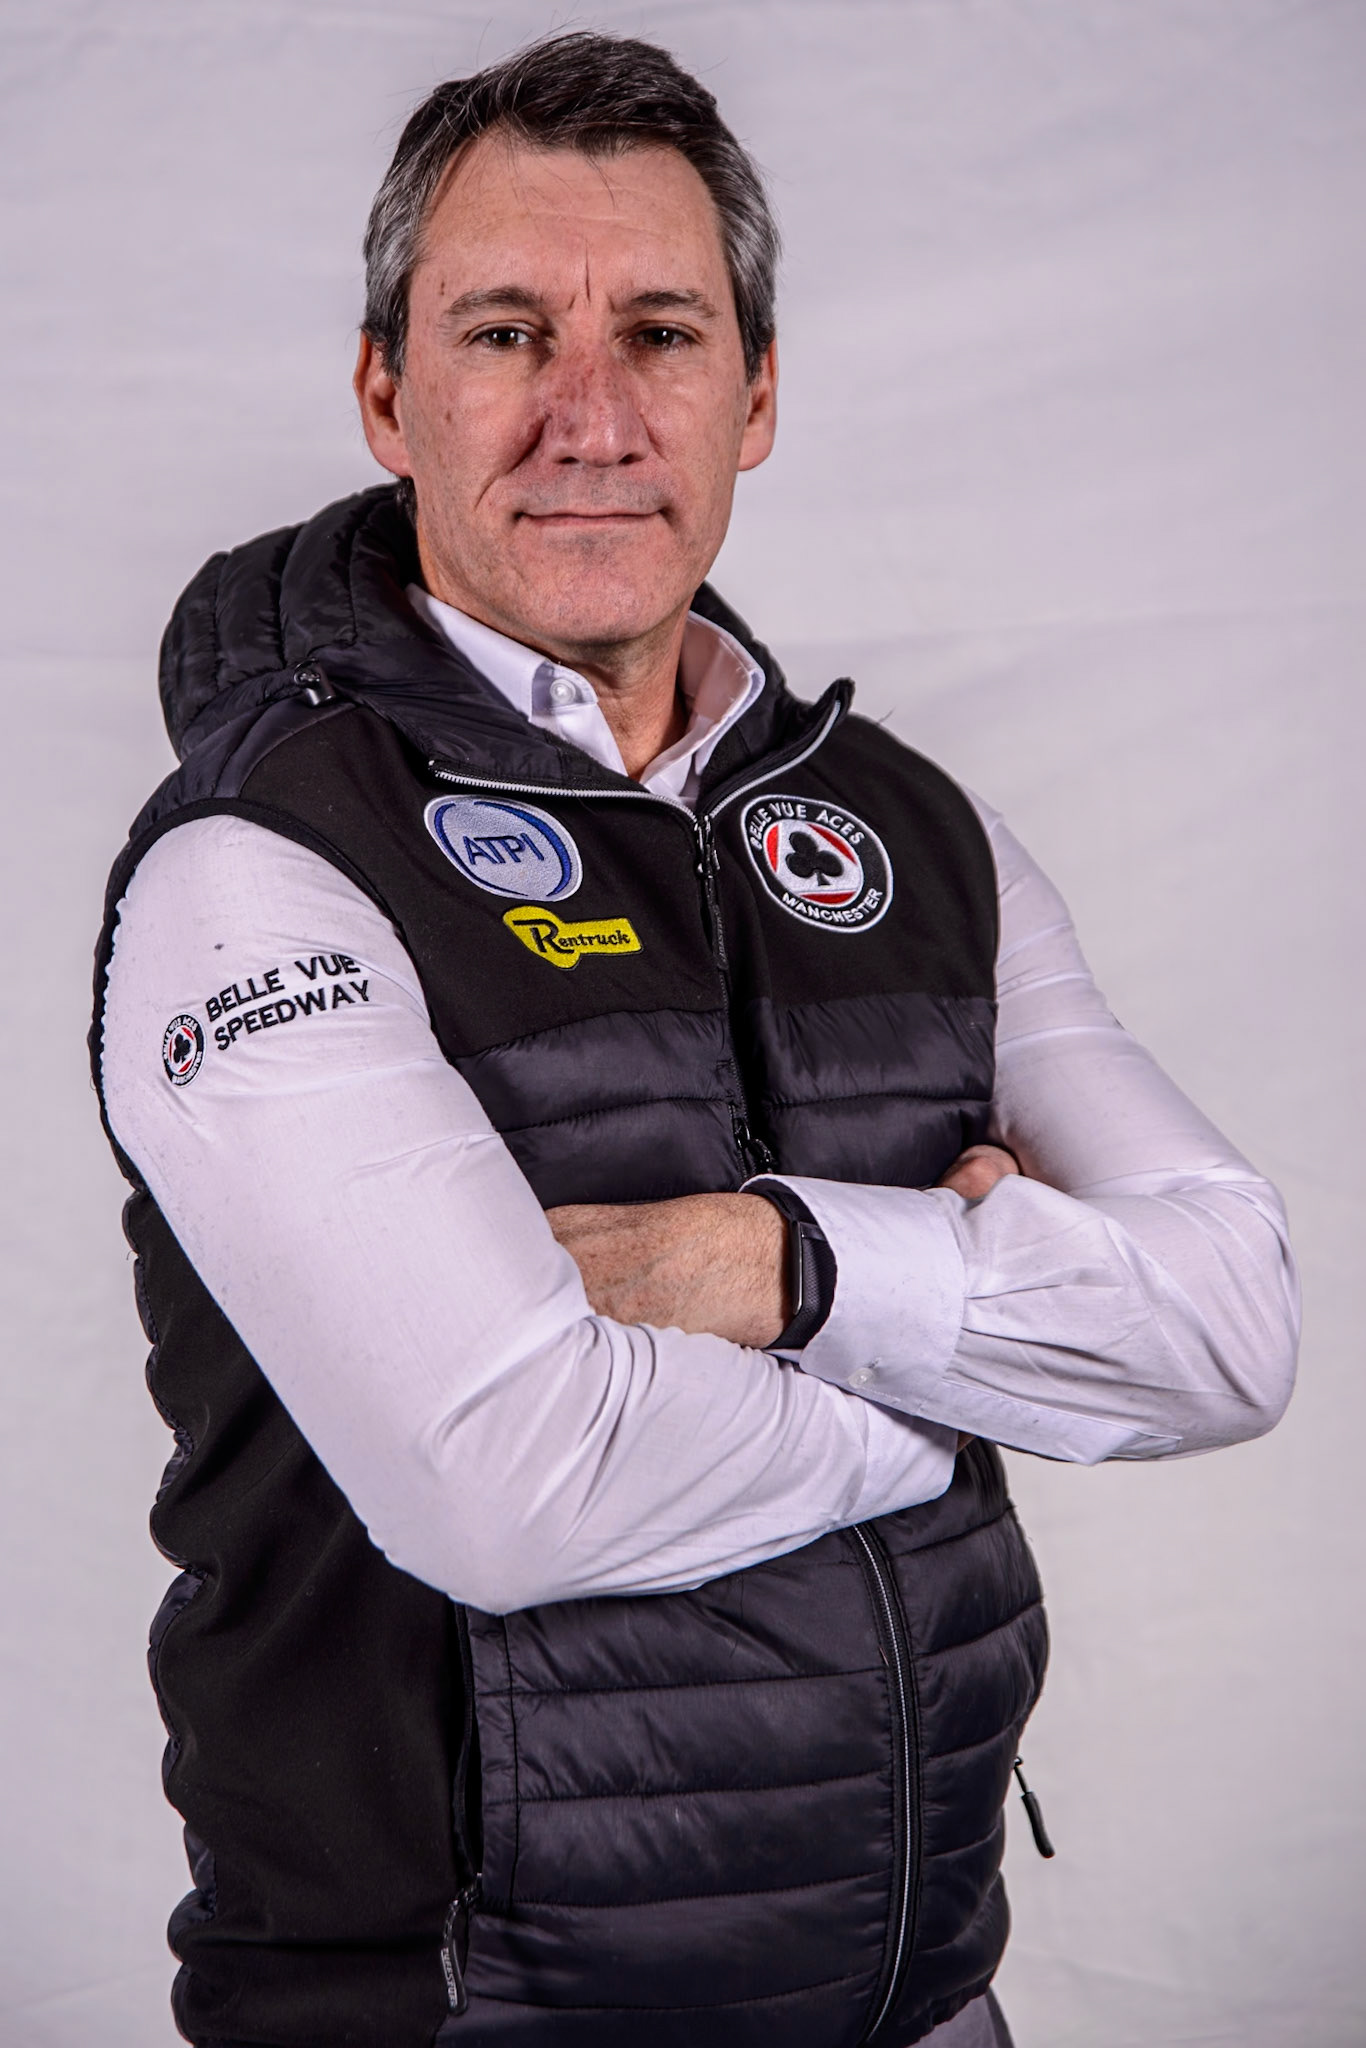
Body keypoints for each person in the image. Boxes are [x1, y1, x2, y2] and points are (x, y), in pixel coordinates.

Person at [91, 30, 1298, 2048]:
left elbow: (1232, 1322)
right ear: (387, 390)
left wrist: (778, 1270)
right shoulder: (263, 862)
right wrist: (984, 1354)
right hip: (455, 2007)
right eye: (504, 334)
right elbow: (515, 1483)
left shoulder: (917, 837)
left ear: (755, 397)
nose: (589, 414)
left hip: (923, 1997)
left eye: (659, 333)